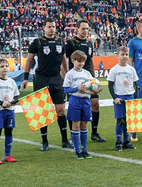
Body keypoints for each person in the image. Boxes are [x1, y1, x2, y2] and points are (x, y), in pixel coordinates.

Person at [21, 18, 70, 151]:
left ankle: (65, 140)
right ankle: (44, 142)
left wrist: (67, 75)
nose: (52, 29)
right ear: (44, 28)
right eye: (49, 27)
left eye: (53, 27)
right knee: (43, 112)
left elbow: (64, 61)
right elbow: (29, 60)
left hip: (56, 79)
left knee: (61, 110)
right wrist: (26, 78)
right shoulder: (37, 42)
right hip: (41, 79)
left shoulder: (60, 41)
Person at [66, 20, 105, 143]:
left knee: (95, 104)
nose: (85, 31)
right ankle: (73, 135)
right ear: (77, 29)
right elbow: (66, 60)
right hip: (76, 79)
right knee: (74, 108)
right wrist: (67, 75)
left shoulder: (89, 43)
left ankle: (94, 133)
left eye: (87, 29)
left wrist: (94, 78)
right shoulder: (71, 43)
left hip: (88, 79)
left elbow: (91, 60)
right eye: (83, 28)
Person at [63, 50, 94, 159]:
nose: (81, 63)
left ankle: (84, 150)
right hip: (75, 100)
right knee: (75, 125)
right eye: (79, 61)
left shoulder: (87, 73)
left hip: (85, 100)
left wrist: (96, 90)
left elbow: (92, 86)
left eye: (83, 61)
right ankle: (77, 151)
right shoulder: (70, 74)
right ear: (73, 61)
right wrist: (77, 88)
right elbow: (66, 90)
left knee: (84, 125)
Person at [107, 47, 139, 151]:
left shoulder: (131, 69)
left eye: (126, 54)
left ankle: (126, 141)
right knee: (120, 120)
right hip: (120, 97)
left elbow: (135, 83)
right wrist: (115, 98)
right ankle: (118, 141)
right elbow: (110, 85)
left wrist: (136, 97)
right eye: (122, 54)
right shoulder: (114, 69)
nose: (125, 56)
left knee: (129, 121)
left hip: (130, 96)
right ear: (117, 56)